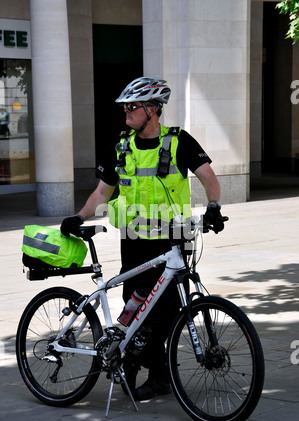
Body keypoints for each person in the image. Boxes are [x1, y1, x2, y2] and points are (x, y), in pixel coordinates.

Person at [61, 77, 227, 401]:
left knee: (166, 311)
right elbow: (101, 191)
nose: (126, 111)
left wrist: (214, 207)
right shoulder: (121, 145)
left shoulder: (179, 142)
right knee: (136, 309)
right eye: (125, 106)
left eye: (132, 106)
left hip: (174, 238)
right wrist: (81, 215)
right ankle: (133, 367)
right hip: (135, 238)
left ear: (152, 110)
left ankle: (159, 376)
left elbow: (208, 176)